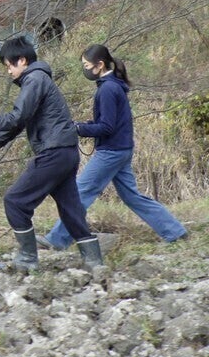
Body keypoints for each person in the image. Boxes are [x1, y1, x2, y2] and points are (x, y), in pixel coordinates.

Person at [0, 36, 103, 271]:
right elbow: (18, 124)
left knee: (15, 201)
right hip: (66, 152)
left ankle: (27, 259)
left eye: (9, 65)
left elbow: (16, 117)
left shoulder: (35, 79)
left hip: (54, 152)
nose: (8, 72)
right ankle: (94, 262)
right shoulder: (38, 80)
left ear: (23, 60)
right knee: (70, 210)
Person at [37, 44, 188, 250]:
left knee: (80, 192)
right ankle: (175, 231)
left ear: (99, 65)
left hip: (111, 152)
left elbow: (106, 127)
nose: (85, 69)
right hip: (122, 149)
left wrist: (78, 129)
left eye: (87, 65)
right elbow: (109, 122)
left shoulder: (107, 89)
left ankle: (57, 240)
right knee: (132, 196)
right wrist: (83, 125)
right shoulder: (113, 85)